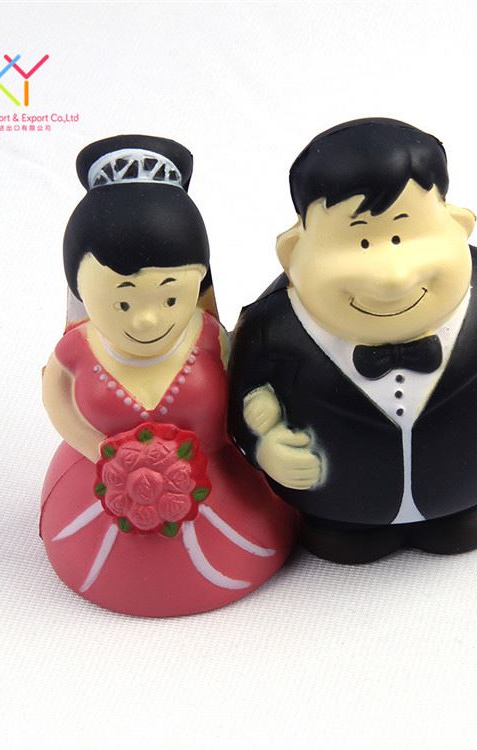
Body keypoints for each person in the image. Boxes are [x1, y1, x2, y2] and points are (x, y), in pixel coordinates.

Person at [228, 118, 477, 564]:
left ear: (459, 225)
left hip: (472, 484)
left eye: (404, 236)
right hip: (341, 507)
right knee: (344, 541)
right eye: (361, 243)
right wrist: (264, 447)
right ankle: (348, 528)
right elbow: (239, 406)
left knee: (465, 526)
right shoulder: (272, 330)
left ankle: (463, 513)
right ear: (292, 252)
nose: (393, 277)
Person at [40, 135, 297, 616]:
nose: (146, 320)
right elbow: (56, 401)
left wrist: (262, 418)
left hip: (225, 493)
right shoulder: (76, 352)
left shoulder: (211, 339)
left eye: (170, 296)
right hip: (99, 496)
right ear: (79, 287)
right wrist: (102, 453)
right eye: (122, 301)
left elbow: (249, 387)